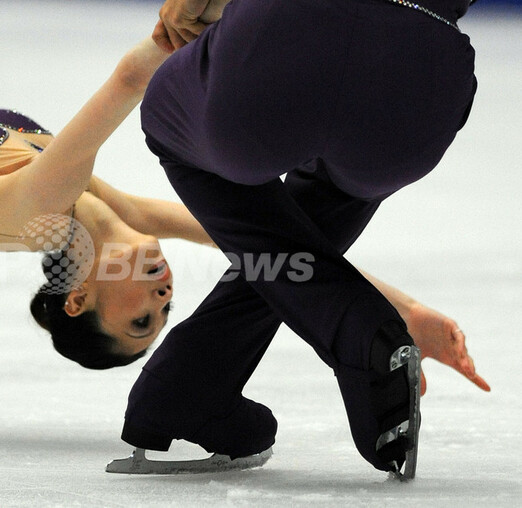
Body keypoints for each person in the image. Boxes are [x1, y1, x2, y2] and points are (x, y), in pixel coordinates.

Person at [0, 34, 485, 390]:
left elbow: (127, 81)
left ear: (79, 297)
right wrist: (404, 308)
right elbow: (287, 249)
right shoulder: (107, 206)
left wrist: (181, 40)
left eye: (141, 318)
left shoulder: (30, 217)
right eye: (165, 313)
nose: (164, 297)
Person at [117, 0, 485, 478]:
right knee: (322, 204)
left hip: (288, 43)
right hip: (422, 83)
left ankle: (355, 329)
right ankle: (189, 387)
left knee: (166, 115)